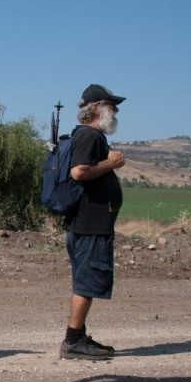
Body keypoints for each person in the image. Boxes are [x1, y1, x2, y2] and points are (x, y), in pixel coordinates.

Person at [59, 84, 127, 361]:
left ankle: (78, 336)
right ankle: (73, 341)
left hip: (85, 223)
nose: (116, 111)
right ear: (97, 109)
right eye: (112, 106)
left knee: (84, 281)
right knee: (86, 283)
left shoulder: (88, 136)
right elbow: (79, 172)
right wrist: (112, 163)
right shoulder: (89, 136)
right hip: (90, 224)